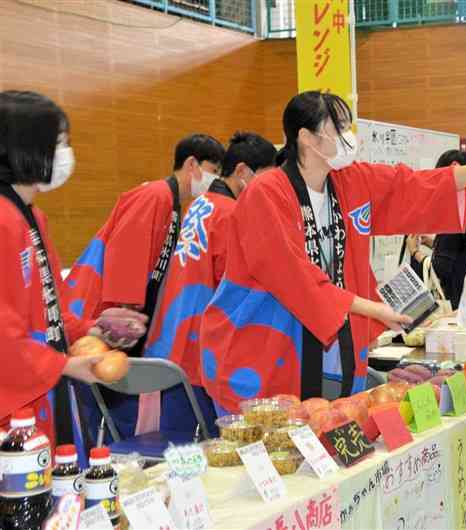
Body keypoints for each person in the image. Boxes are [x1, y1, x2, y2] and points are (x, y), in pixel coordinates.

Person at [199, 91, 466, 413]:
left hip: (330, 338)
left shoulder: (350, 181)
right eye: (340, 127)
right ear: (306, 137)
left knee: (331, 428)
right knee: (275, 441)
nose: (349, 137)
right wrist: (372, 309)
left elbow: (407, 186)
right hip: (264, 336)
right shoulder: (266, 193)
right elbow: (289, 273)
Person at [0, 91, 144, 448]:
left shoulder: (31, 217)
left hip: (42, 390)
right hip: (16, 402)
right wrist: (61, 366)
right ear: (27, 145)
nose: (65, 154)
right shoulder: (3, 220)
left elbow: (48, 313)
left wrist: (94, 329)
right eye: (60, 142)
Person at [64, 133, 225, 442]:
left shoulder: (176, 206)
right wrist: (124, 317)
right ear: (192, 164)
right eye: (212, 170)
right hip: (105, 317)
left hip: (120, 322)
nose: (213, 180)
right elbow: (126, 254)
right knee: (106, 401)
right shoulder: (155, 195)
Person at [142, 132, 276, 436]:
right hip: (203, 349)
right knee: (202, 448)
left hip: (173, 338)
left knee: (175, 445)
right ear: (242, 172)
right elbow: (236, 289)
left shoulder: (199, 204)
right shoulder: (233, 214)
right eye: (267, 178)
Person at [407, 149, 466, 309]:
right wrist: (434, 244)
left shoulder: (457, 215)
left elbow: (442, 269)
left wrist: (415, 252)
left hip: (462, 299)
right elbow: (464, 250)